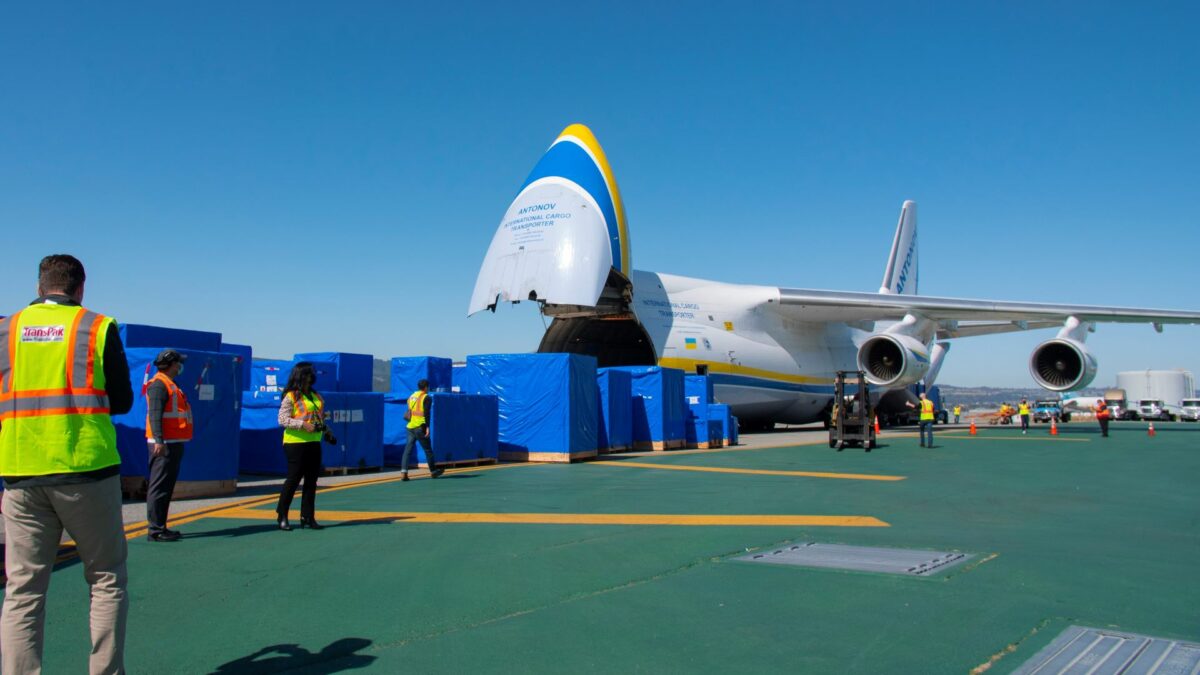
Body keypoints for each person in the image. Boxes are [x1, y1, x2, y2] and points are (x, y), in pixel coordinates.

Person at [0, 254, 134, 674]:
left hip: (20, 472)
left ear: (40, 286)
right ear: (81, 287)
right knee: (106, 578)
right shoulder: (97, 327)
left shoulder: (5, 329)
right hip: (85, 470)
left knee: (22, 590)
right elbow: (124, 400)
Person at [144, 349, 192, 542]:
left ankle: (161, 526)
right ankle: (155, 529)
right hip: (164, 445)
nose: (180, 366)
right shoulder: (159, 385)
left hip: (173, 442)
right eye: (178, 363)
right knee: (159, 486)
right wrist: (159, 440)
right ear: (172, 365)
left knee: (166, 486)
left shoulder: (170, 384)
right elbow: (155, 414)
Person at [276, 362, 325, 530]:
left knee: (312, 481)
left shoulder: (315, 395)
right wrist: (303, 425)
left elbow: (318, 417)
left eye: (312, 374)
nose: (312, 377)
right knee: (293, 479)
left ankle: (307, 516)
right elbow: (282, 419)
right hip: (295, 443)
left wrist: (326, 430)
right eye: (308, 374)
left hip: (314, 441)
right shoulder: (291, 396)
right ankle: (282, 514)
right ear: (301, 375)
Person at [401, 379, 443, 481]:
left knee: (407, 450)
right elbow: (427, 413)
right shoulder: (426, 397)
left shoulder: (412, 396)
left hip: (410, 426)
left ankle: (404, 472)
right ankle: (433, 471)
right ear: (426, 387)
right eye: (428, 387)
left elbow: (410, 409)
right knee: (428, 450)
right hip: (420, 426)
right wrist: (427, 427)